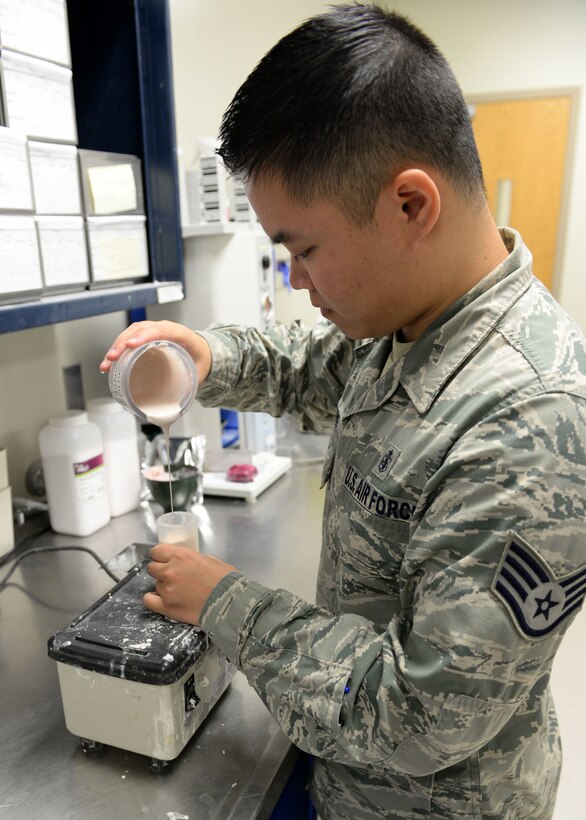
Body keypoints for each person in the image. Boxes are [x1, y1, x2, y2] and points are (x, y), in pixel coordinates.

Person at [101, 4, 586, 818]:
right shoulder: (413, 320)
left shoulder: (530, 423)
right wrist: (204, 354)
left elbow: (417, 713)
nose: (295, 279)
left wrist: (224, 600)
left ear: (409, 205)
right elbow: (307, 368)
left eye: (305, 248)